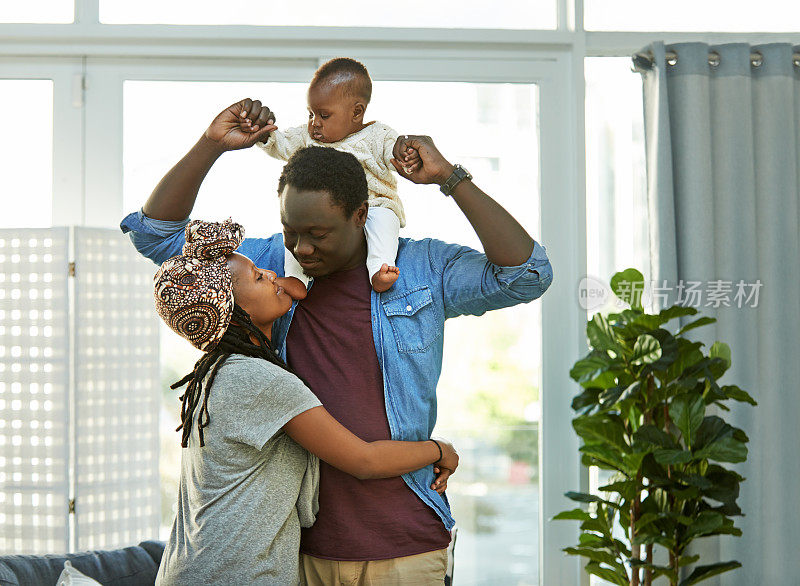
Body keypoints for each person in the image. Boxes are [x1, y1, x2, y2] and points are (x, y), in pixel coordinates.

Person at [121, 97, 554, 585]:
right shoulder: (268, 273)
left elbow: (528, 275)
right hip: (301, 552)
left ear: (360, 214)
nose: (302, 248)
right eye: (291, 231)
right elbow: (155, 237)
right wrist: (210, 146)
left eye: (318, 233)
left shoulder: (420, 270)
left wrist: (450, 179)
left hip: (405, 543)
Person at [152, 217, 459, 585]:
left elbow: (296, 290)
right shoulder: (260, 381)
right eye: (257, 278)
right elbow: (364, 460)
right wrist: (439, 450)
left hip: (200, 566)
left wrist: (281, 286)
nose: (270, 272)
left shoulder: (219, 371)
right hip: (235, 575)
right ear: (234, 315)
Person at [252, 57, 419, 293]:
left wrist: (405, 152)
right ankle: (296, 279)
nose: (314, 124)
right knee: (297, 239)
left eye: (324, 115)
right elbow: (283, 144)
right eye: (311, 114)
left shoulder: (377, 135)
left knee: (384, 225)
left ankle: (379, 270)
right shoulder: (306, 137)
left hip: (376, 203)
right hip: (317, 215)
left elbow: (393, 151)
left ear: (357, 112)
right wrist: (264, 135)